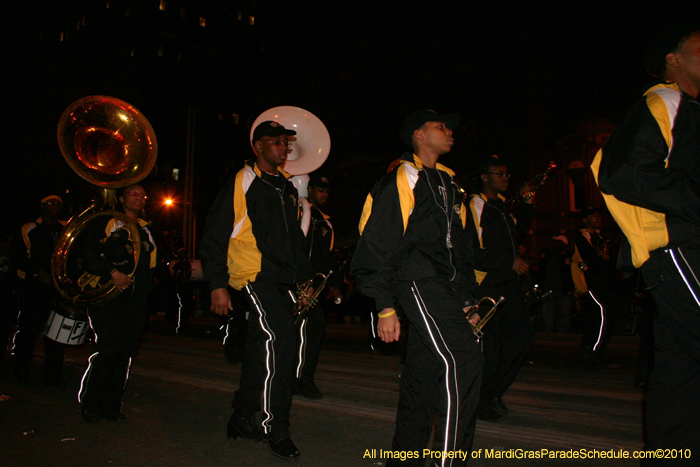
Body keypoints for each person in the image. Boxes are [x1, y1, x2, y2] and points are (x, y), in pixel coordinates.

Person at [592, 23, 700, 464]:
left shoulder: (690, 109)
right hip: (678, 250)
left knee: (680, 373)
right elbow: (621, 172)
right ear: (674, 59)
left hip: (683, 250)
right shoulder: (665, 101)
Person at [352, 109, 482, 466]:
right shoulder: (404, 177)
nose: (450, 130)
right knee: (463, 360)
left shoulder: (453, 184)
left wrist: (468, 297)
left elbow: (462, 248)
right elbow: (378, 240)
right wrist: (384, 304)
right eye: (440, 126)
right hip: (419, 281)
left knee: (422, 375)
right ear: (418, 135)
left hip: (447, 287)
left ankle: (404, 459)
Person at [199, 120, 313, 461]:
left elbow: (295, 240)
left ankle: (240, 417)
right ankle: (273, 426)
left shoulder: (288, 187)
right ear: (257, 146)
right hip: (253, 275)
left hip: (280, 278)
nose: (283, 147)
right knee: (282, 345)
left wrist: (304, 280)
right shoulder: (243, 181)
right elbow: (215, 234)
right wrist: (217, 284)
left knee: (261, 351)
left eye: (285, 143)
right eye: (276, 142)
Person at [78, 185, 157, 423]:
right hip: (109, 297)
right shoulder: (106, 221)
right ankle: (91, 403)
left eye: (143, 194)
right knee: (109, 348)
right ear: (121, 197)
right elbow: (89, 254)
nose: (139, 197)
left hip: (134, 301)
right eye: (133, 193)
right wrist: (112, 273)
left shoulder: (145, 230)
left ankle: (111, 405)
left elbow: (150, 267)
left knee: (124, 353)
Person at [467, 155, 535, 422]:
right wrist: (509, 261)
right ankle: (482, 399)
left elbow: (517, 235)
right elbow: (470, 249)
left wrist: (528, 206)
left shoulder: (504, 207)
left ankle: (492, 392)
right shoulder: (474, 204)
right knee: (490, 348)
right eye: (500, 174)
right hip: (486, 284)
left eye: (507, 174)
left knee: (522, 339)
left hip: (508, 283)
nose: (506, 178)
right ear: (485, 176)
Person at [293, 173, 343, 400]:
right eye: (320, 190)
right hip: (293, 283)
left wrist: (336, 285)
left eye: (327, 191)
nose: (325, 195)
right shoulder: (296, 212)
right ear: (309, 189)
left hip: (313, 287)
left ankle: (303, 379)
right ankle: (297, 378)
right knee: (300, 333)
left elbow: (329, 258)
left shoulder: (325, 221)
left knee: (312, 331)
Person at [9, 195, 66, 384]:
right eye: (50, 203)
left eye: (57, 204)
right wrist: (37, 271)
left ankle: (53, 373)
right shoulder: (29, 228)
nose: (54, 206)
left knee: (56, 333)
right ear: (42, 207)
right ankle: (21, 367)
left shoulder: (65, 228)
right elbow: (17, 258)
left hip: (58, 289)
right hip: (33, 288)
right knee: (28, 330)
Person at [570, 207, 627, 363]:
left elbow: (604, 260)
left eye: (598, 214)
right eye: (592, 215)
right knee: (603, 312)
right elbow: (591, 258)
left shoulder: (599, 238)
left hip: (599, 282)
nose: (597, 217)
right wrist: (602, 258)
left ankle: (592, 349)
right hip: (588, 282)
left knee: (600, 315)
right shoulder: (581, 237)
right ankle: (592, 349)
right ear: (584, 219)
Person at [538, 235, 575, 333]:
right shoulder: (549, 256)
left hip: (564, 291)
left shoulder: (570, 256)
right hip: (548, 290)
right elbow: (541, 270)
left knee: (564, 317)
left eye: (558, 242)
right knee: (548, 318)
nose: (555, 244)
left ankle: (562, 340)